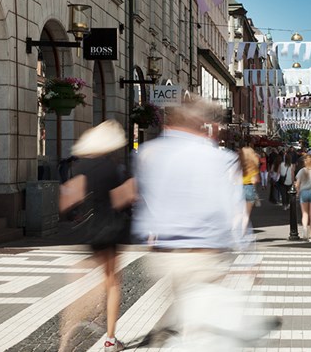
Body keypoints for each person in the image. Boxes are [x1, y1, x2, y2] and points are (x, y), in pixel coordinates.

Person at [132, 96, 262, 348]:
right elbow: (229, 208)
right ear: (203, 124)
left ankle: (173, 338)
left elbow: (144, 199)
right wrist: (249, 256)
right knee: (203, 323)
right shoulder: (216, 157)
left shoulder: (150, 153)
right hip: (204, 254)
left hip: (165, 255)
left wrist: (151, 233)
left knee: (182, 308)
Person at [59, 120, 135, 352]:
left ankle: (65, 339)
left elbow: (67, 201)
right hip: (110, 230)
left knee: (84, 285)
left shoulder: (79, 167)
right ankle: (110, 340)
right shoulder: (112, 168)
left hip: (87, 232)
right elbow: (122, 198)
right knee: (112, 284)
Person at [239, 147, 260, 218]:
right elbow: (255, 180)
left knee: (238, 213)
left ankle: (235, 227)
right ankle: (243, 228)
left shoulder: (237, 164)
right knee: (246, 215)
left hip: (238, 188)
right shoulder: (253, 166)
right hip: (249, 188)